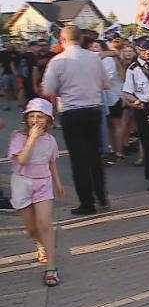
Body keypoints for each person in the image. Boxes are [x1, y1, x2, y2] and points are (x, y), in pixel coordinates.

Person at [41, 26, 110, 215]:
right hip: (93, 110)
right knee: (94, 155)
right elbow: (106, 84)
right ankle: (102, 196)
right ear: (80, 39)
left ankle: (87, 203)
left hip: (72, 111)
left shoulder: (58, 61)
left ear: (62, 40)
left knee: (79, 159)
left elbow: (47, 90)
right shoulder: (94, 58)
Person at [7, 99, 64, 287]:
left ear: (48, 120)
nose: (35, 120)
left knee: (45, 224)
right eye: (31, 116)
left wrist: (58, 183)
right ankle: (39, 244)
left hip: (43, 184)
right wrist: (31, 138)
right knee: (32, 228)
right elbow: (22, 160)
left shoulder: (50, 140)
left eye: (40, 117)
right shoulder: (18, 137)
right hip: (22, 183)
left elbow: (52, 162)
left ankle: (51, 268)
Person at [122, 37, 149, 191]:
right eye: (144, 50)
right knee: (148, 143)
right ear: (137, 50)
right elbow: (127, 92)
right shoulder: (133, 69)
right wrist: (135, 101)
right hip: (143, 107)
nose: (147, 53)